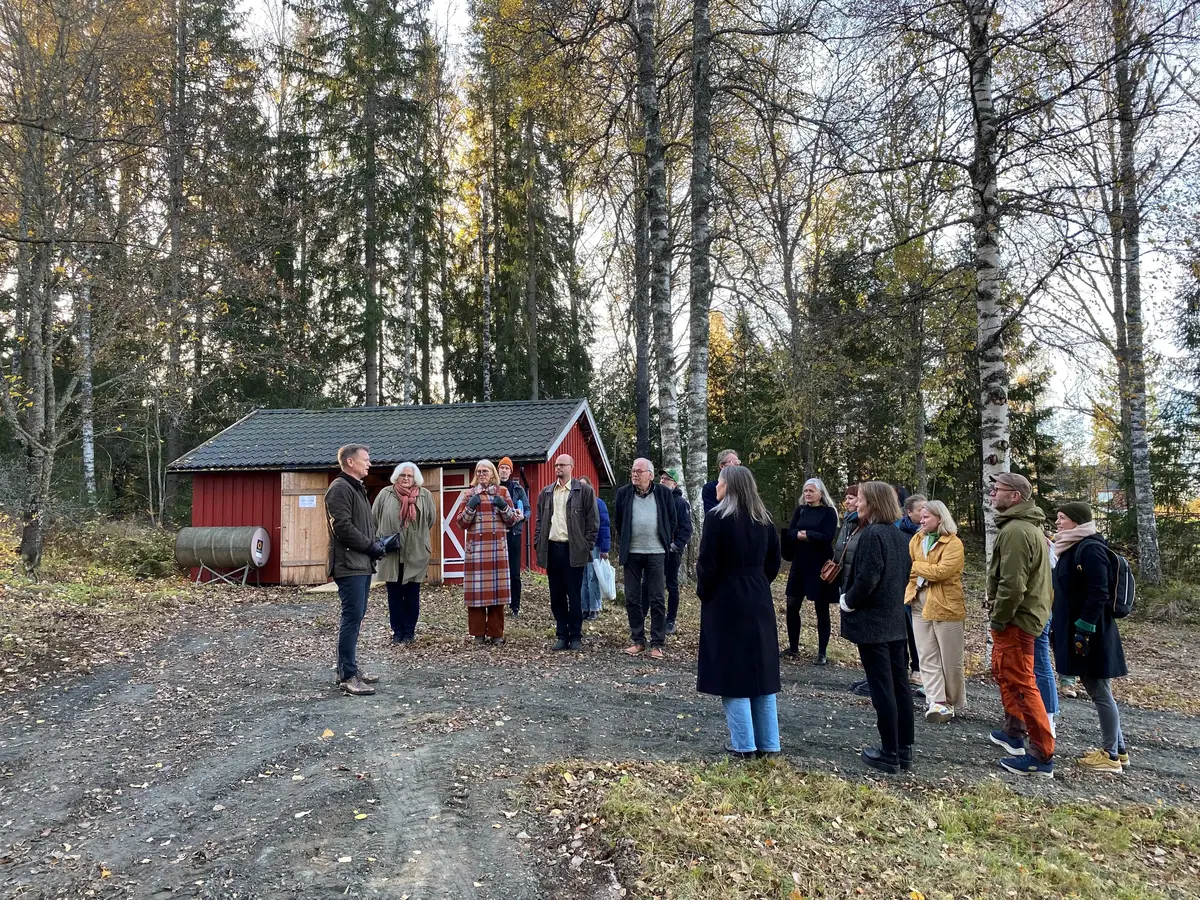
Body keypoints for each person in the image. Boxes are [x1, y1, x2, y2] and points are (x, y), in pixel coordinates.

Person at [696, 465, 782, 759]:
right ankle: (769, 743)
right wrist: (756, 581)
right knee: (762, 671)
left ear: (729, 487)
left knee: (732, 672)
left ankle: (744, 744)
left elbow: (707, 563)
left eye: (720, 483)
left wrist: (705, 592)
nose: (716, 487)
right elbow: (774, 562)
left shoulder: (717, 518)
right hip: (759, 596)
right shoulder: (765, 519)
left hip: (726, 599)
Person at [838, 481, 914, 774]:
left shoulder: (872, 535)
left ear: (874, 503)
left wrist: (848, 601)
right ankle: (904, 748)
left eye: (861, 499)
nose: (857, 503)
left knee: (883, 688)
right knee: (899, 685)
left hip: (873, 622)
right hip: (894, 620)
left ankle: (889, 751)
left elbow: (868, 578)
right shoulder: (899, 535)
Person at [1051, 501, 1129, 774]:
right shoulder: (1073, 547)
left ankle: (1109, 755)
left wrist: (1084, 627)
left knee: (1099, 692)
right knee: (1101, 691)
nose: (1058, 522)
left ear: (1077, 521)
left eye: (1062, 518)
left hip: (1091, 632)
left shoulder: (1090, 548)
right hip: (1083, 630)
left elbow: (1100, 592)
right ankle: (1119, 751)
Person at [986, 472, 1055, 777]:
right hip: (1020, 618)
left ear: (1015, 496)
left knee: (1023, 683)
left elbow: (1013, 585)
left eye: (997, 489)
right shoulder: (1023, 527)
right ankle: (1014, 734)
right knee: (1007, 675)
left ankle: (1042, 756)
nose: (992, 494)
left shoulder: (1016, 530)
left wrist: (999, 618)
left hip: (1016, 620)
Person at [325, 444, 386, 696]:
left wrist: (376, 545)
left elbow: (360, 526)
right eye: (366, 459)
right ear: (350, 462)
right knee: (351, 618)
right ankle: (348, 676)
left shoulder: (356, 488)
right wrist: (371, 546)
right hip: (349, 565)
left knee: (356, 617)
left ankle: (350, 669)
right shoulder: (339, 489)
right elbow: (343, 528)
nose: (369, 464)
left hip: (361, 564)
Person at [904, 499, 966, 723]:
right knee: (926, 654)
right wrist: (920, 570)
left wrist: (918, 567)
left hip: (946, 605)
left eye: (926, 516)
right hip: (918, 600)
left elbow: (942, 572)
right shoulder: (916, 539)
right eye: (920, 516)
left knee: (950, 658)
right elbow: (908, 566)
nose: (921, 520)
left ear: (940, 517)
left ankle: (950, 701)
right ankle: (936, 701)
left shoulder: (953, 543)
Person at [612, 458, 677, 659]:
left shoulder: (664, 493)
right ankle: (638, 640)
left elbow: (672, 520)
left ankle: (657, 643)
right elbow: (619, 521)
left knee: (657, 598)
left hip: (656, 552)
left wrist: (664, 539)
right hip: (632, 553)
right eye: (633, 471)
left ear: (650, 474)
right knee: (632, 598)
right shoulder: (624, 493)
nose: (635, 474)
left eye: (639, 471)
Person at [534, 455, 599, 650]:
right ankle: (561, 634)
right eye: (556, 465)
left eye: (562, 465)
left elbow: (593, 522)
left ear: (571, 467)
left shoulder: (585, 491)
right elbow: (539, 522)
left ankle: (576, 635)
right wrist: (538, 542)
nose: (558, 468)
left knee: (575, 594)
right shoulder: (546, 493)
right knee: (557, 595)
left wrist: (586, 545)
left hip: (574, 550)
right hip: (553, 549)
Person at [372, 462, 438, 644]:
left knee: (412, 594)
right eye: (403, 476)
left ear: (415, 478)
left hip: (415, 553)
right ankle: (397, 632)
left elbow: (430, 520)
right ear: (396, 477)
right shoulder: (385, 494)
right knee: (393, 596)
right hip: (391, 553)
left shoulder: (424, 495)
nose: (406, 479)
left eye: (409, 476)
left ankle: (409, 632)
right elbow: (374, 519)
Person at [457, 459, 521, 646]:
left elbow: (512, 521)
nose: (481, 474)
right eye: (478, 471)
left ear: (493, 474)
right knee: (477, 595)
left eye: (485, 471)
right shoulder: (469, 494)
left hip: (496, 550)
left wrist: (503, 506)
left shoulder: (503, 492)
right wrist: (471, 507)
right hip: (476, 550)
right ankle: (478, 634)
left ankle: (496, 633)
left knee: (497, 594)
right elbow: (461, 523)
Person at [780, 477, 839, 664]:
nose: (807, 494)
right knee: (792, 604)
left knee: (821, 608)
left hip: (819, 565)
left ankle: (822, 652)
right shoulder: (801, 510)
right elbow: (790, 533)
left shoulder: (829, 512)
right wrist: (801, 535)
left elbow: (827, 536)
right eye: (805, 491)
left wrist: (806, 535)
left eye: (811, 491)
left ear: (820, 493)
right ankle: (793, 647)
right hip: (799, 564)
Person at [658, 467, 693, 635]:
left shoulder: (680, 503)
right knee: (650, 585)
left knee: (672, 585)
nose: (663, 481)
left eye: (667, 479)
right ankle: (650, 619)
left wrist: (675, 546)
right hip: (655, 551)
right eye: (662, 478)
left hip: (672, 552)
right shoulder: (655, 499)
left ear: (675, 483)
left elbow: (687, 529)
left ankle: (670, 620)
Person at [897, 493, 927, 687]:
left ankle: (918, 668)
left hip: (920, 588)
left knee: (916, 630)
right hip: (899, 585)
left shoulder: (929, 531)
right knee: (901, 629)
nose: (924, 513)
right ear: (909, 512)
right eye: (919, 510)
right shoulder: (897, 529)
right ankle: (901, 667)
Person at [497, 457, 530, 618]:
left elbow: (528, 510)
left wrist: (522, 516)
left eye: (506, 468)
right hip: (497, 534)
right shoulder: (493, 488)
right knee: (497, 571)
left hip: (514, 534)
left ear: (510, 471)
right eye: (501, 468)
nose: (503, 471)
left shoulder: (518, 489)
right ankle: (498, 603)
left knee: (514, 572)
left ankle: (514, 605)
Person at [579, 476, 611, 620]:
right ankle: (584, 607)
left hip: (595, 545)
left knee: (593, 577)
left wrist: (605, 548)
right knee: (583, 577)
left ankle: (595, 608)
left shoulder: (599, 503)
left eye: (584, 486)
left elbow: (604, 526)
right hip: (581, 546)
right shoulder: (576, 505)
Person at [701, 449, 740, 514]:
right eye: (732, 462)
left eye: (738, 462)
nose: (737, 464)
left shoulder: (743, 486)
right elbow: (710, 513)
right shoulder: (710, 488)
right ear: (722, 466)